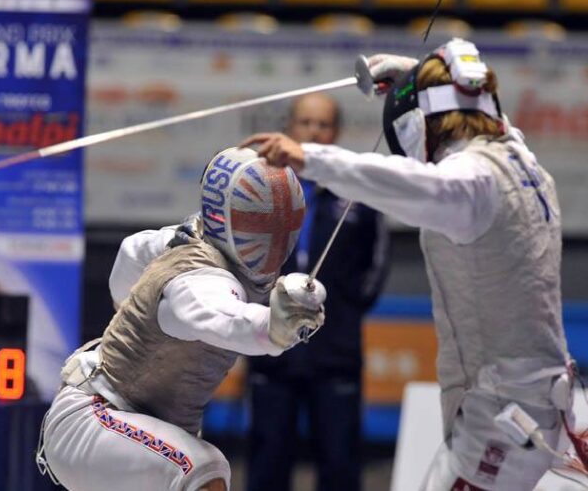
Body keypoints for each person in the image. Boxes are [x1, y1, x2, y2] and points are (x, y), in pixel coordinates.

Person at [241, 38, 587, 490]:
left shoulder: (472, 182)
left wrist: (310, 158)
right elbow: (486, 108)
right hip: (525, 402)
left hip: (503, 417)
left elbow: (416, 185)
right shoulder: (522, 161)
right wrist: (414, 74)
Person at [37, 147, 326, 491]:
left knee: (198, 467)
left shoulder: (181, 238)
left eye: (281, 227)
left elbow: (132, 250)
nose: (273, 241)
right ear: (226, 220)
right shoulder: (199, 278)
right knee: (202, 469)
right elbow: (220, 317)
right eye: (259, 224)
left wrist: (134, 315)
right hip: (96, 421)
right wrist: (274, 328)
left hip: (133, 427)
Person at [247, 93, 390, 491]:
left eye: (323, 124)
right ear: (289, 128)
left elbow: (376, 263)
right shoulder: (266, 186)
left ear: (336, 131)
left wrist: (344, 310)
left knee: (340, 459)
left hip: (336, 351)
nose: (314, 131)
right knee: (268, 457)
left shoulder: (356, 191)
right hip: (270, 345)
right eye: (306, 123)